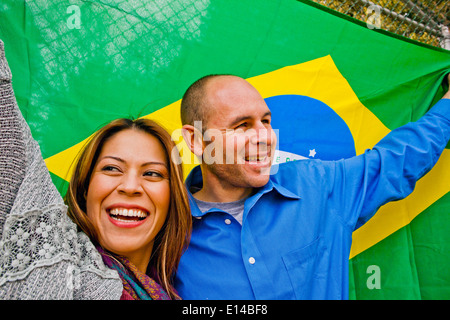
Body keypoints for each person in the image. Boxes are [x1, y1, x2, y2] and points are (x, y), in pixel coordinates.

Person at [174, 73, 450, 299]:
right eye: (242, 126)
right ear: (197, 140)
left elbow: (398, 159)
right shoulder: (166, 233)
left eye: (266, 122)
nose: (264, 137)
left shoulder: (317, 186)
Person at [0, 39, 191, 300]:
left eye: (152, 173)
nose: (130, 186)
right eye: (112, 168)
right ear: (84, 190)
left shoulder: (177, 293)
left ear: (173, 199)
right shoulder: (51, 259)